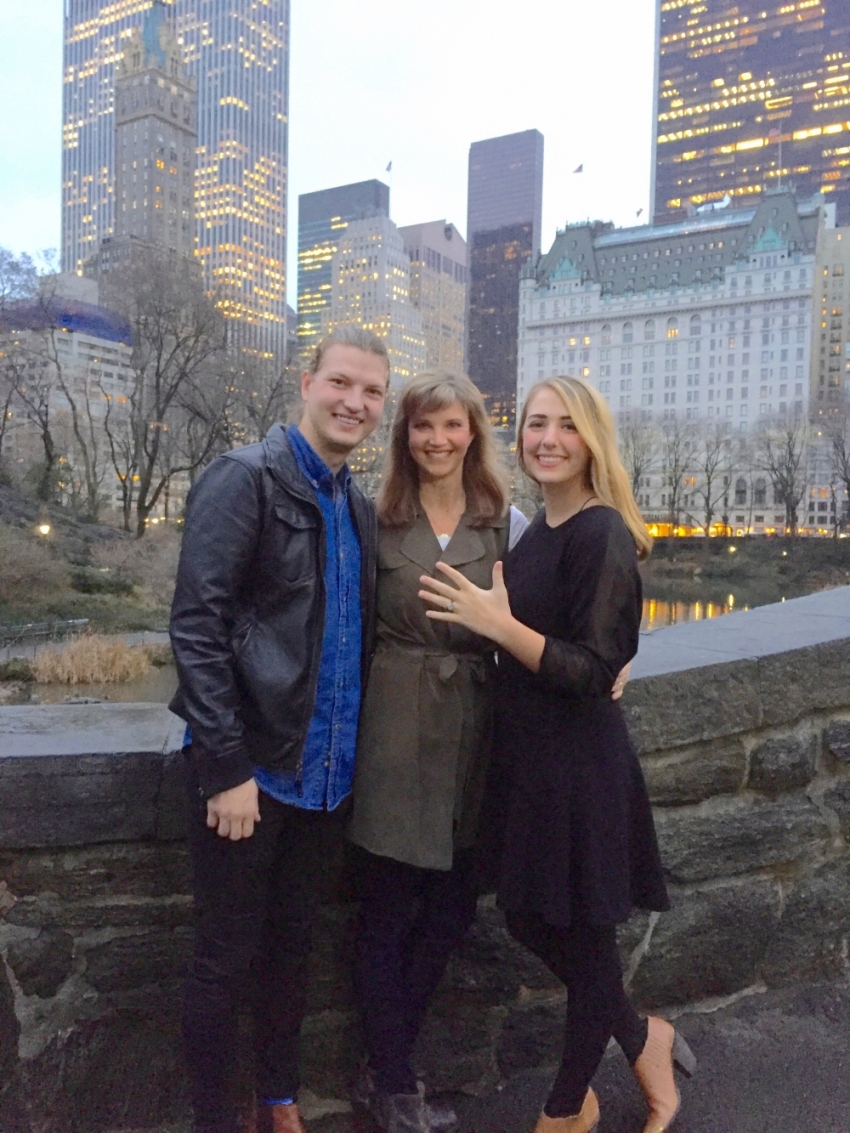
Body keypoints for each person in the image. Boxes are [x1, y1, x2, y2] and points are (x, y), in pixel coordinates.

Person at [419, 377, 696, 1133]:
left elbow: (595, 670)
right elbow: (571, 645)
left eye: (565, 426)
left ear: (591, 440)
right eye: (536, 424)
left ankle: (565, 1110)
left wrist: (498, 625)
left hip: (579, 766)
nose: (546, 438)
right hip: (529, 762)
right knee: (527, 916)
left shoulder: (600, 530)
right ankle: (645, 1036)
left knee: (584, 931)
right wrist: (499, 626)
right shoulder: (536, 530)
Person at [169, 326, 390, 1133]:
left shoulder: (357, 505)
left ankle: (277, 1101)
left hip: (324, 780)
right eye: (340, 383)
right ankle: (216, 1122)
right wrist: (225, 765)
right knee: (223, 961)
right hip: (250, 774)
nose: (353, 402)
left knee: (293, 953)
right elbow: (197, 626)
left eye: (371, 392)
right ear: (307, 382)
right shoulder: (245, 478)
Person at [346, 371, 528, 1133]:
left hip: (473, 729)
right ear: (405, 435)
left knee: (451, 909)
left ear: (473, 433)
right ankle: (393, 1084)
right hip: (391, 722)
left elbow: (550, 615)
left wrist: (613, 662)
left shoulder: (505, 523)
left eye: (452, 426)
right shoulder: (375, 519)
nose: (437, 440)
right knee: (384, 910)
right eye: (423, 426)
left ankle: (384, 1066)